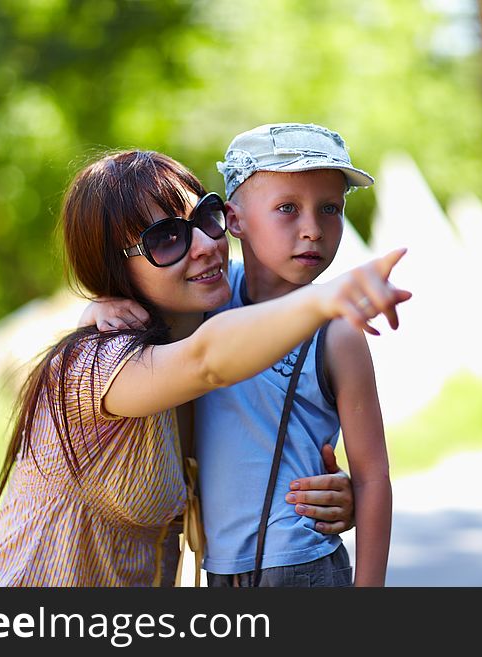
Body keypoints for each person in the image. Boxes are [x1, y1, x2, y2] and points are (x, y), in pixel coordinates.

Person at [0, 148, 410, 586]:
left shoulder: (206, 320)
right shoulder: (94, 363)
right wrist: (329, 296)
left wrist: (341, 499)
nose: (205, 246)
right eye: (166, 239)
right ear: (114, 270)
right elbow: (207, 362)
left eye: (206, 218)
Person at [88, 124, 396, 587]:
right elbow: (151, 318)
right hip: (220, 569)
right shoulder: (210, 297)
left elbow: (373, 477)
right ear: (234, 220)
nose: (312, 229)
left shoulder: (338, 332)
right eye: (287, 208)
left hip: (300, 563)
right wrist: (97, 306)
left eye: (330, 208)